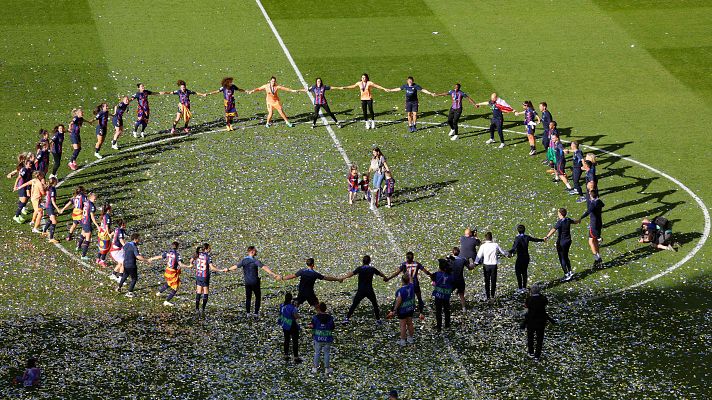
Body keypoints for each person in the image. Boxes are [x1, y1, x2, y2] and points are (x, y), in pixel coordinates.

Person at [234, 246, 280, 318]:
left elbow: (235, 266)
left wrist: (227, 269)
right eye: (255, 251)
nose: (256, 252)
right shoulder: (255, 261)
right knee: (258, 297)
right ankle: (255, 313)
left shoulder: (243, 260)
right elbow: (264, 268)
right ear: (252, 251)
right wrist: (273, 274)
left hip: (247, 282)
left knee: (248, 297)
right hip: (255, 282)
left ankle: (248, 313)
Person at [340, 255, 386, 324]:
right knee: (375, 304)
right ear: (369, 261)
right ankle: (378, 319)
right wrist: (385, 277)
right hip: (369, 289)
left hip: (361, 290)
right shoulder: (372, 269)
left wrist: (343, 277)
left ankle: (347, 318)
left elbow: (351, 274)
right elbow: (380, 274)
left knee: (354, 304)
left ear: (363, 261)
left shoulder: (360, 268)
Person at [384, 252, 431, 320]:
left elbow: (397, 273)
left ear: (406, 257)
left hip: (407, 284)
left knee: (399, 296)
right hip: (415, 284)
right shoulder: (417, 264)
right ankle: (421, 313)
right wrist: (432, 275)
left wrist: (388, 278)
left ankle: (392, 311)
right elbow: (426, 272)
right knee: (419, 298)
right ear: (413, 257)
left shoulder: (404, 264)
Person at [193, 243, 230, 317]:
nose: (210, 249)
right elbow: (212, 268)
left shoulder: (198, 254)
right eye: (209, 248)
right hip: (204, 276)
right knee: (205, 292)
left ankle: (197, 309)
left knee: (199, 291)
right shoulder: (207, 256)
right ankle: (203, 309)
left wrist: (192, 265)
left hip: (198, 275)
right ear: (206, 248)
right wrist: (221, 270)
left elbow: (191, 260)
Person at [149, 241, 191, 307]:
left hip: (167, 271)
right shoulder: (177, 255)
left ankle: (159, 293)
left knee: (169, 283)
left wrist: (151, 258)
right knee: (175, 288)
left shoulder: (168, 253)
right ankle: (167, 301)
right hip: (172, 272)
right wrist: (188, 266)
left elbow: (159, 257)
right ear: (177, 247)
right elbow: (181, 264)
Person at [521, 284, 556, 361]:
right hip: (540, 322)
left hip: (531, 322)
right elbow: (545, 303)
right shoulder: (542, 299)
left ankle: (531, 352)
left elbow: (527, 310)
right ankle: (537, 355)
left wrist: (524, 322)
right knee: (539, 339)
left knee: (530, 337)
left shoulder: (529, 299)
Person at [544, 208, 580, 281]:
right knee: (566, 256)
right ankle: (570, 271)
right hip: (568, 241)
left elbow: (553, 230)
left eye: (558, 212)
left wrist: (547, 237)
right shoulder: (568, 219)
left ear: (560, 214)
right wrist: (579, 220)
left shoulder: (560, 222)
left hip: (561, 243)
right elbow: (575, 222)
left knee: (562, 258)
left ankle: (566, 275)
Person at [509, 225, 545, 293]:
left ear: (518, 230)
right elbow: (535, 239)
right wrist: (542, 239)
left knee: (518, 272)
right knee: (524, 272)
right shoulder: (527, 237)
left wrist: (508, 252)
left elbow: (514, 248)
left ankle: (520, 288)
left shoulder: (517, 238)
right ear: (524, 230)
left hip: (520, 258)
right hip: (526, 257)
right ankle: (524, 287)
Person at [475, 232, 509, 300]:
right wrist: (508, 254)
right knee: (493, 281)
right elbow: (502, 252)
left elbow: (479, 255)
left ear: (485, 238)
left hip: (486, 265)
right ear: (491, 238)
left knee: (487, 281)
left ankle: (488, 296)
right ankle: (492, 295)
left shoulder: (483, 246)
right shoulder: (495, 245)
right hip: (493, 265)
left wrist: (475, 262)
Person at [577, 189, 605, 268]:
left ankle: (597, 258)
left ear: (591, 195)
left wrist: (580, 218)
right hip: (599, 223)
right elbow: (603, 205)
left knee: (591, 241)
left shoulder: (593, 204)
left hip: (594, 225)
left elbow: (588, 212)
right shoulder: (599, 201)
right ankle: (598, 255)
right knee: (595, 240)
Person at [386, 274, 416, 346]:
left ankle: (403, 341)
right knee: (410, 323)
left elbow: (399, 301)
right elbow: (411, 280)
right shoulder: (412, 286)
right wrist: (410, 274)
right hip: (410, 308)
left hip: (403, 310)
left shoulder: (400, 291)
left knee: (402, 325)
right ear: (408, 280)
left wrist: (394, 310)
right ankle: (411, 339)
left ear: (402, 280)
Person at [308, 302, 335, 375]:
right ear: (325, 309)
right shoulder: (330, 318)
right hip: (327, 338)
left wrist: (310, 326)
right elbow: (332, 327)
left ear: (319, 309)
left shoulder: (315, 317)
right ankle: (327, 369)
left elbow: (312, 326)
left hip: (318, 338)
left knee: (317, 353)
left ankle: (315, 368)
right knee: (326, 353)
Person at [117, 233, 147, 297]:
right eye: (139, 238)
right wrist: (145, 260)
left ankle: (119, 287)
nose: (139, 240)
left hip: (125, 263)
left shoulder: (126, 244)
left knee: (125, 275)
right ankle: (130, 292)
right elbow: (137, 256)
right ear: (135, 239)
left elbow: (128, 253)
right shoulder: (134, 247)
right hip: (132, 265)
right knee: (134, 278)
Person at [430, 258, 454, 332]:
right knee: (446, 310)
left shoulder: (437, 274)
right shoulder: (450, 276)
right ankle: (447, 325)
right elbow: (453, 283)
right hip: (446, 296)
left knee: (438, 311)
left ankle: (439, 327)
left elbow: (432, 278)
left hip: (438, 295)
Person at [278, 292, 302, 363]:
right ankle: (296, 357)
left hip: (285, 325)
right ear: (291, 299)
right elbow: (295, 316)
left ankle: (286, 355)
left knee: (286, 340)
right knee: (295, 341)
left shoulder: (282, 305)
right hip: (292, 325)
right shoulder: (292, 307)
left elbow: (280, 314)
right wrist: (299, 315)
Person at [448, 247, 474, 312]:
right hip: (460, 280)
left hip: (452, 280)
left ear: (452, 252)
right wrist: (472, 262)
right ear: (459, 253)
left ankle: (446, 307)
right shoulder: (463, 260)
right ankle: (464, 308)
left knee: (448, 293)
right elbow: (470, 268)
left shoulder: (449, 260)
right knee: (461, 295)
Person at [77, 192, 99, 261]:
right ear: (91, 197)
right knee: (87, 239)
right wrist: (97, 225)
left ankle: (78, 246)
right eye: (94, 198)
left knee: (83, 233)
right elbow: (92, 217)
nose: (95, 200)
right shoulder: (91, 205)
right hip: (87, 222)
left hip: (83, 220)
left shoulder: (86, 202)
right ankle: (83, 255)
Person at [12, 157, 33, 224]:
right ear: (26, 164)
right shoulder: (25, 170)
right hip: (22, 187)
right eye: (29, 164)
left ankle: (19, 214)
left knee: (26, 199)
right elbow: (18, 178)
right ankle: (16, 216)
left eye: (31, 164)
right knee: (23, 201)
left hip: (27, 186)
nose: (31, 165)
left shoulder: (29, 169)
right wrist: (15, 186)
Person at [41, 176, 62, 243]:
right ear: (54, 182)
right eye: (56, 180)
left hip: (48, 206)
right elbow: (52, 200)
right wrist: (58, 209)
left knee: (51, 219)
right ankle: (51, 238)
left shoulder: (49, 187)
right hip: (50, 206)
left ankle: (44, 231)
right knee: (54, 221)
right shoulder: (52, 189)